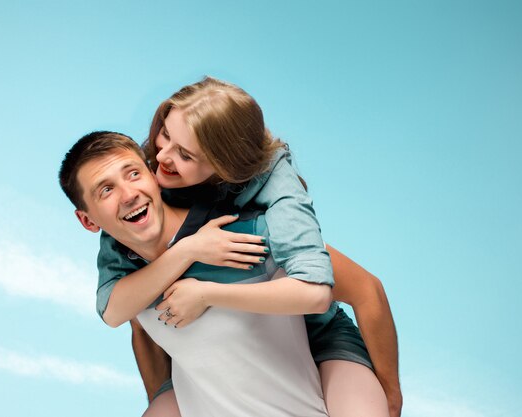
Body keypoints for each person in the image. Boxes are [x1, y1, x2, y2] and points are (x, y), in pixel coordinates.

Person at [96, 77, 401, 417]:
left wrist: (390, 392)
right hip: (209, 370)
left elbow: (362, 290)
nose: (161, 158)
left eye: (184, 153)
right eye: (164, 134)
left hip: (318, 337)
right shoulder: (136, 204)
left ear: (222, 166)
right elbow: (137, 325)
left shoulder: (261, 220)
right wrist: (172, 400)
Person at [60, 131, 331, 416]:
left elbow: (356, 288)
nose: (128, 195)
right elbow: (125, 320)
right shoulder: (129, 276)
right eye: (106, 190)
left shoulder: (244, 233)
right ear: (87, 221)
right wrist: (188, 250)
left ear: (154, 175)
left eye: (133, 174)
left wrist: (385, 398)